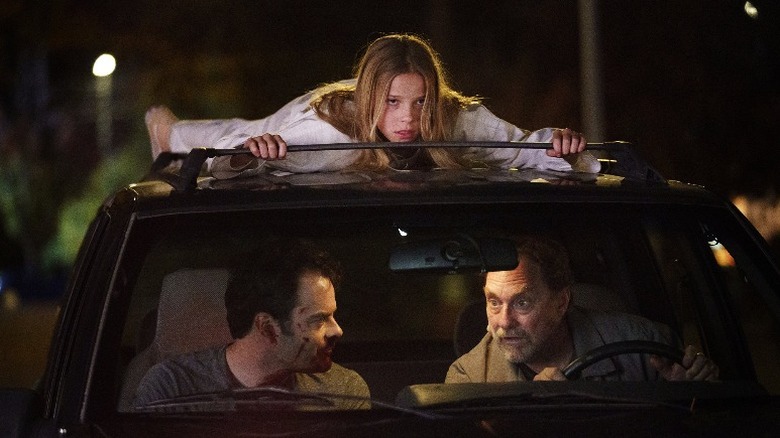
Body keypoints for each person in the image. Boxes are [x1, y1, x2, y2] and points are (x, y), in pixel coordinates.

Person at [145, 33, 600, 178]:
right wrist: (248, 155)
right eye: (394, 103)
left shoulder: (452, 119)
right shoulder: (327, 136)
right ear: (373, 100)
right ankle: (170, 134)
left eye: (420, 101)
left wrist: (565, 148)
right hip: (331, 106)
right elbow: (232, 157)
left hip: (366, 95)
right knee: (253, 128)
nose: (408, 118)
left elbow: (525, 147)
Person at [133, 238, 370, 410]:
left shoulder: (344, 392)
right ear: (267, 328)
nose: (337, 330)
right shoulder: (172, 390)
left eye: (332, 316)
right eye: (318, 320)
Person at [446, 236, 720, 383]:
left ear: (561, 302)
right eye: (494, 302)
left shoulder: (645, 349)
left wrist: (692, 398)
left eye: (522, 303)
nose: (504, 322)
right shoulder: (468, 379)